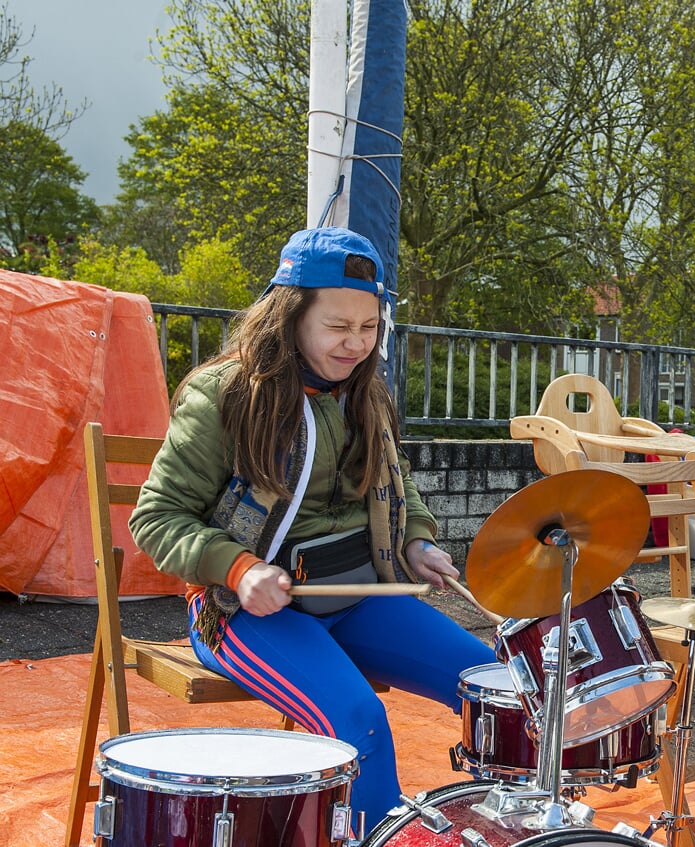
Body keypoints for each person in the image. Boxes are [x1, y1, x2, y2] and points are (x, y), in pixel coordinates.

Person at [130, 226, 496, 827]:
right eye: (337, 327)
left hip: (357, 598)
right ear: (289, 315)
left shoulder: (365, 396)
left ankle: (503, 829)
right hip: (244, 613)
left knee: (497, 690)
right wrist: (239, 569)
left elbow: (398, 482)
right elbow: (156, 519)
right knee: (358, 721)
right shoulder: (225, 395)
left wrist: (417, 539)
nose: (356, 344)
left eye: (369, 327)